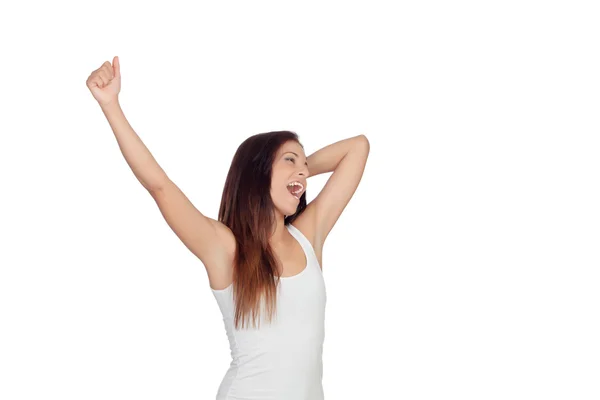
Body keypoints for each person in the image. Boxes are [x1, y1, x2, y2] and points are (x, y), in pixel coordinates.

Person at [86, 56, 370, 400]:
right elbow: (159, 185)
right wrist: (111, 105)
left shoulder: (308, 237)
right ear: (258, 172)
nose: (303, 172)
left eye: (305, 163)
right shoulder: (226, 248)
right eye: (290, 160)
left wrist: (301, 169)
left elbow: (358, 148)